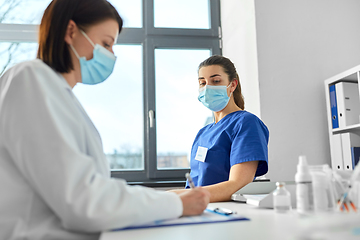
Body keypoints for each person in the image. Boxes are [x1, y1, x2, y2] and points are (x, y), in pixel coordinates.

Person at [0, 0, 210, 239]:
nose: (111, 55)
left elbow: (89, 189)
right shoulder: (31, 79)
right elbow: (83, 200)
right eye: (106, 44)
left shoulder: (59, 94)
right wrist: (177, 205)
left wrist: (166, 199)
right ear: (70, 31)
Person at [172, 55, 269, 202]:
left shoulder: (246, 123)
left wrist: (173, 197)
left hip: (227, 211)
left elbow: (238, 185)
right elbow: (194, 184)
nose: (207, 88)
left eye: (216, 81)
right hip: (199, 209)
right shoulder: (203, 133)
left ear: (233, 84)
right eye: (202, 83)